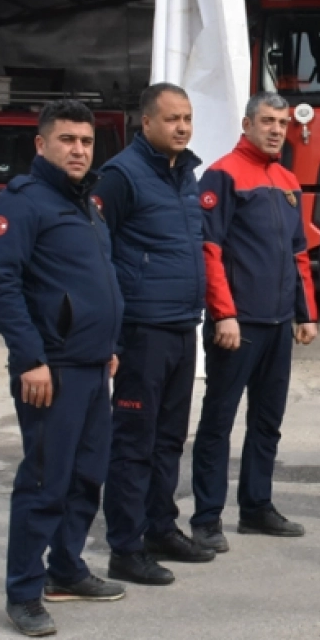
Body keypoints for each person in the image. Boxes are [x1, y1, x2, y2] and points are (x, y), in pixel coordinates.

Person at [0, 99, 126, 637]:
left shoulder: (87, 203)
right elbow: (0, 286)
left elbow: (96, 281)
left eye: (86, 141)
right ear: (41, 145)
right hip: (52, 372)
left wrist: (107, 343)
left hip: (92, 367)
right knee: (45, 483)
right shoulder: (22, 203)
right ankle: (23, 592)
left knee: (88, 478)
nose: (79, 149)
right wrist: (31, 359)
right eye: (67, 139)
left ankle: (66, 570)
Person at [91, 83, 215, 588]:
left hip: (183, 326)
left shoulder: (185, 174)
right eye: (171, 119)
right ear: (146, 123)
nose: (182, 127)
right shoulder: (122, 176)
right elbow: (101, 256)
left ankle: (161, 528)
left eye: (187, 117)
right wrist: (112, 338)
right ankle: (125, 546)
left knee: (169, 439)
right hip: (143, 330)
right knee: (133, 444)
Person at [190, 93, 318, 546]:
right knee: (219, 422)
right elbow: (210, 250)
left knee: (267, 420)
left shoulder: (287, 180)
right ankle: (206, 518)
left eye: (282, 122)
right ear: (246, 124)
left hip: (279, 323)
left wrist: (305, 314)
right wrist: (224, 314)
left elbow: (298, 252)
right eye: (267, 121)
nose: (276, 129)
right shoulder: (223, 175)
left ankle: (257, 507)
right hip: (237, 326)